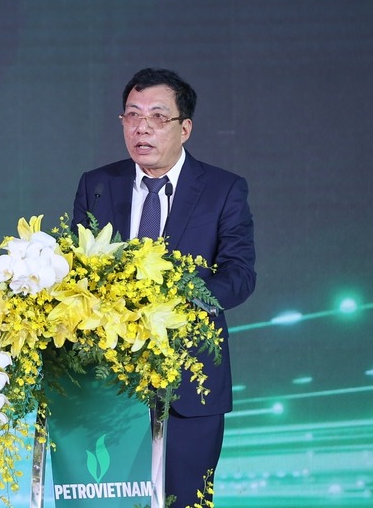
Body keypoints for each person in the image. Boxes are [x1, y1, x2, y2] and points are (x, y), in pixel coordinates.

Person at [72, 68, 256, 506]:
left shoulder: (222, 189)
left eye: (157, 116)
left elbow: (240, 273)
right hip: (108, 383)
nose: (142, 127)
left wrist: (180, 298)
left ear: (184, 128)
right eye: (132, 115)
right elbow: (78, 270)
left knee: (186, 499)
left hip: (191, 384)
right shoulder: (97, 185)